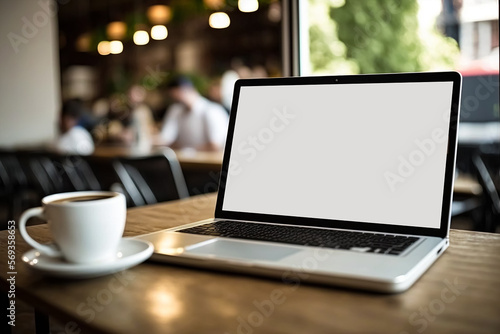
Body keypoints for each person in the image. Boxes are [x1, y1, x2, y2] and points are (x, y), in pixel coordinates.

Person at [157, 76, 229, 151]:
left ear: (189, 90)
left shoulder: (212, 111)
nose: (175, 99)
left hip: (208, 160)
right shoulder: (176, 109)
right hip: (183, 159)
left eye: (178, 94)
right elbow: (166, 139)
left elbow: (216, 146)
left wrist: (186, 150)